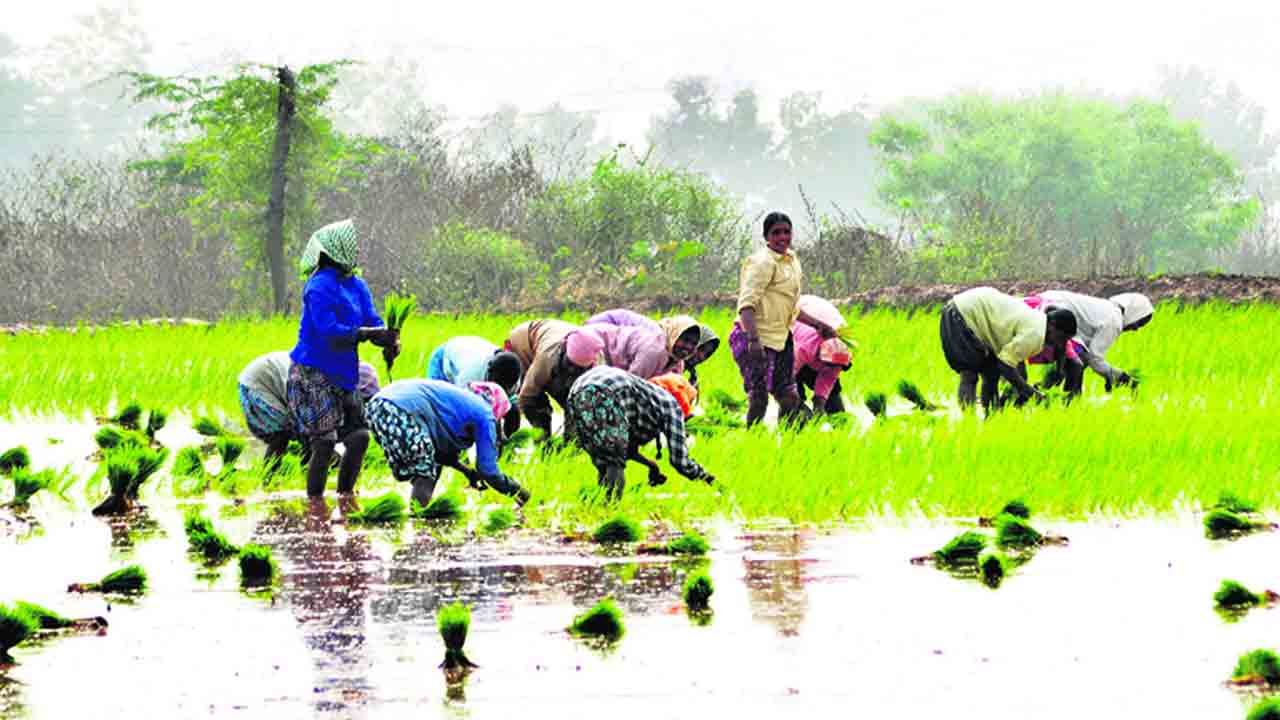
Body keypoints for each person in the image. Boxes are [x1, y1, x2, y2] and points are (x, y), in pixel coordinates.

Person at [288, 218, 400, 498]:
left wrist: (387, 338)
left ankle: (345, 498)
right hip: (313, 373)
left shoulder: (356, 285)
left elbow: (371, 320)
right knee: (324, 442)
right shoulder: (319, 286)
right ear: (336, 250)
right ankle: (315, 507)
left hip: (343, 374)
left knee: (359, 436)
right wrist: (365, 333)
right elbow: (329, 332)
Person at [730, 211, 838, 426]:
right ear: (766, 237)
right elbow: (746, 305)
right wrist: (753, 340)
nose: (782, 237)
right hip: (755, 338)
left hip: (782, 338)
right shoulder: (762, 262)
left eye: (786, 232)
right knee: (758, 397)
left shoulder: (792, 261)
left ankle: (789, 442)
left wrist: (818, 325)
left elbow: (792, 306)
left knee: (789, 397)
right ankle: (753, 440)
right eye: (776, 233)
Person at [366, 379, 529, 507]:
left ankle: (420, 511)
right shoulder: (485, 414)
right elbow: (488, 471)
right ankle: (418, 525)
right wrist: (518, 491)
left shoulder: (460, 401)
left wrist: (466, 471)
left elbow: (441, 454)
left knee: (430, 464)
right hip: (398, 408)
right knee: (424, 473)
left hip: (376, 406)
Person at [565, 366, 713, 502]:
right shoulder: (671, 405)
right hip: (607, 391)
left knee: (604, 459)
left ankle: (601, 506)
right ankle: (611, 512)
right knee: (613, 464)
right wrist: (710, 480)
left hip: (577, 391)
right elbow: (680, 462)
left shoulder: (645, 394)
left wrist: (652, 466)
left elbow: (627, 450)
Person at [940, 286, 1077, 411]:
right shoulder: (1036, 334)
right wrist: (1031, 393)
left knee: (991, 374)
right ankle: (968, 424)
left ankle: (991, 418)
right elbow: (1005, 365)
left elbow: (1007, 363)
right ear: (1053, 326)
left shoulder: (1037, 321)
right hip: (963, 312)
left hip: (973, 310)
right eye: (1062, 338)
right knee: (969, 375)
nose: (1060, 344)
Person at [239, 351, 381, 466]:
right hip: (260, 381)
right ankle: (268, 479)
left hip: (278, 377)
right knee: (280, 437)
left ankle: (295, 470)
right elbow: (311, 434)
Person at [1028, 290, 1153, 392]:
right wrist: (1122, 378)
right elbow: (1095, 359)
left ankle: (1044, 390)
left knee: (1076, 360)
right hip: (1053, 313)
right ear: (1134, 313)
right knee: (1077, 362)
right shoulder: (1114, 321)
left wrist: (1110, 376)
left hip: (1045, 302)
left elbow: (1088, 355)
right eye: (1139, 322)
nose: (1136, 328)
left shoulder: (1106, 308)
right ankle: (1070, 402)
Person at [504, 320, 603, 435]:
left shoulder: (597, 362)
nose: (572, 371)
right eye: (570, 366)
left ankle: (571, 442)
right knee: (535, 402)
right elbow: (527, 395)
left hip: (555, 349)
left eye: (578, 369)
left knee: (574, 402)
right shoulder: (548, 357)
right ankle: (543, 440)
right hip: (524, 344)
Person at [426, 336, 524, 434]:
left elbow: (509, 411)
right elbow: (461, 409)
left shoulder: (513, 376)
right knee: (443, 417)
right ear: (489, 372)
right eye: (495, 386)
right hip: (443, 360)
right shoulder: (471, 374)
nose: (497, 392)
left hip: (470, 350)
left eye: (504, 389)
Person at [790, 296, 853, 416]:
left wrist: (819, 405)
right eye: (829, 366)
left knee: (833, 399)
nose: (832, 369)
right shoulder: (803, 348)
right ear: (821, 359)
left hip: (820, 312)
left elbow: (828, 379)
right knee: (792, 403)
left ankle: (839, 426)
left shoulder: (841, 350)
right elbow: (783, 380)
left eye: (835, 367)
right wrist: (800, 406)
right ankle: (793, 428)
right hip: (791, 323)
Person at [657, 315, 719, 388]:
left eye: (707, 354)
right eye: (700, 349)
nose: (702, 357)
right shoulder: (658, 356)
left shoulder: (691, 379)